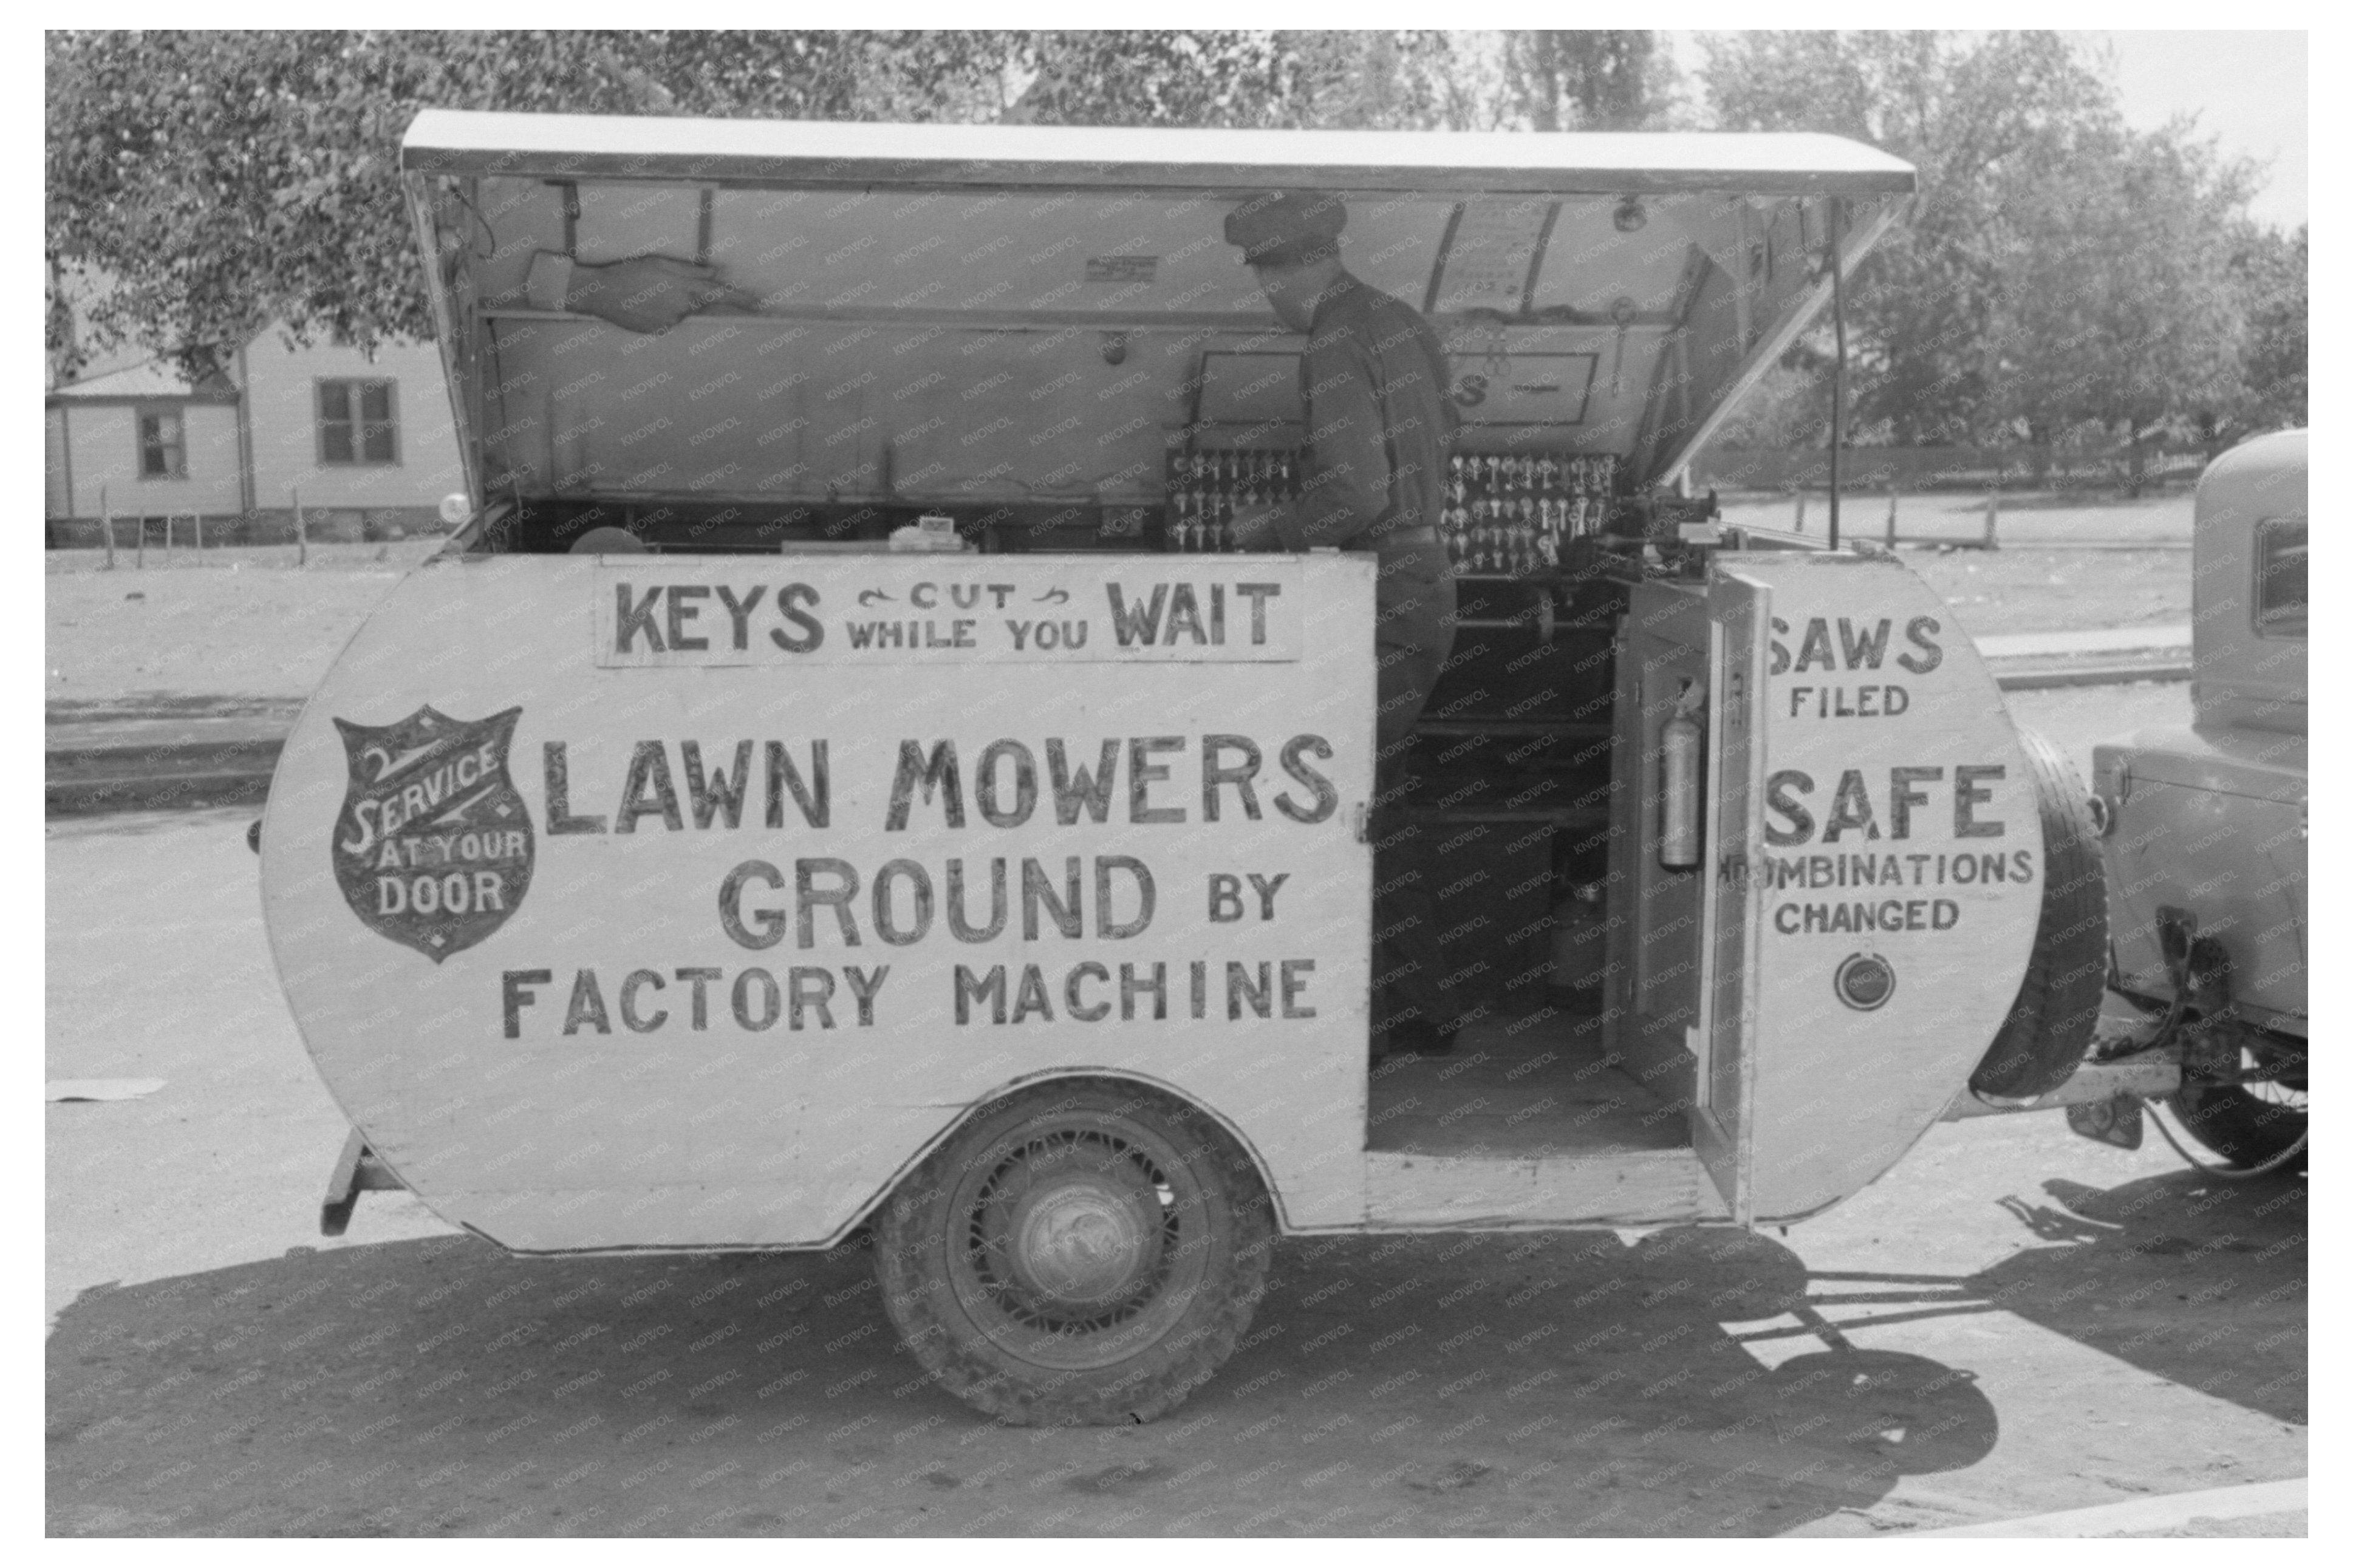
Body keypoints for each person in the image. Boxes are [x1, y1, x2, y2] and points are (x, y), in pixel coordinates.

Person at [1223, 191, 1462, 1057]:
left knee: (1338, 806)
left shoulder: (1331, 341)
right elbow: (1441, 435)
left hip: (1385, 590)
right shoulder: (1401, 321)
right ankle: (1419, 1011)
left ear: (1287, 271)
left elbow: (1357, 492)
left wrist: (1266, 533)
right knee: (1376, 798)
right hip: (1424, 577)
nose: (1268, 302)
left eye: (1264, 282)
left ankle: (1372, 1025)